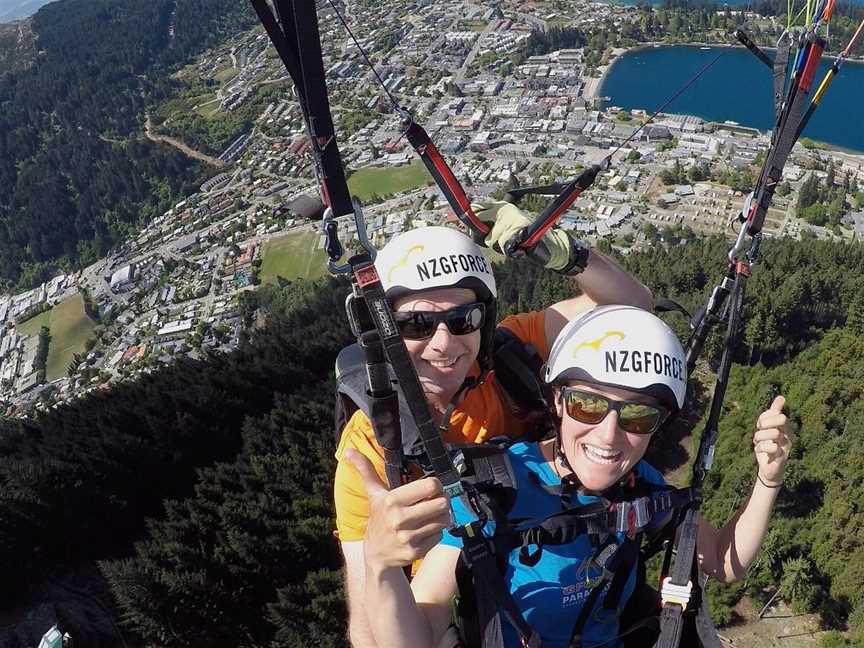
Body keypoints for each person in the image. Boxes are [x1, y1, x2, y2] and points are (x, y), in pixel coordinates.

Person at [348, 305, 794, 648]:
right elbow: (422, 626)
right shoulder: (493, 487)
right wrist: (382, 566)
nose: (609, 433)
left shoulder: (641, 486)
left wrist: (767, 480)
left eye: (637, 415)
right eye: (589, 405)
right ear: (558, 400)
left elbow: (721, 563)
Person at [334, 204, 654, 648]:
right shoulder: (369, 450)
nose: (443, 343)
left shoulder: (510, 359)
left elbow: (633, 309)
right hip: (449, 605)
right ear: (385, 330)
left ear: (484, 319)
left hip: (555, 560)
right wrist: (380, 560)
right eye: (415, 324)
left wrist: (561, 252)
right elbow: (369, 637)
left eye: (463, 319)